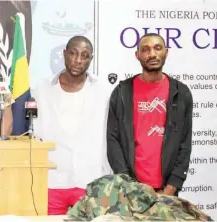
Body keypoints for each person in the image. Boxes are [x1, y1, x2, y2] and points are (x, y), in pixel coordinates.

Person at [32, 36, 112, 215]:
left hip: (91, 180)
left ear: (91, 59)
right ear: (64, 54)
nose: (78, 60)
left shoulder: (103, 91)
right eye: (73, 54)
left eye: (84, 56)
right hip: (52, 179)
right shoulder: (42, 90)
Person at [107, 33, 193, 196]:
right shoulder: (122, 92)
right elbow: (113, 141)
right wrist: (129, 186)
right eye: (145, 50)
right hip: (130, 190)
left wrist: (171, 187)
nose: (152, 54)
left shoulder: (181, 93)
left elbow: (185, 143)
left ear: (166, 52)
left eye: (157, 48)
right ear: (137, 55)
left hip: (167, 190)